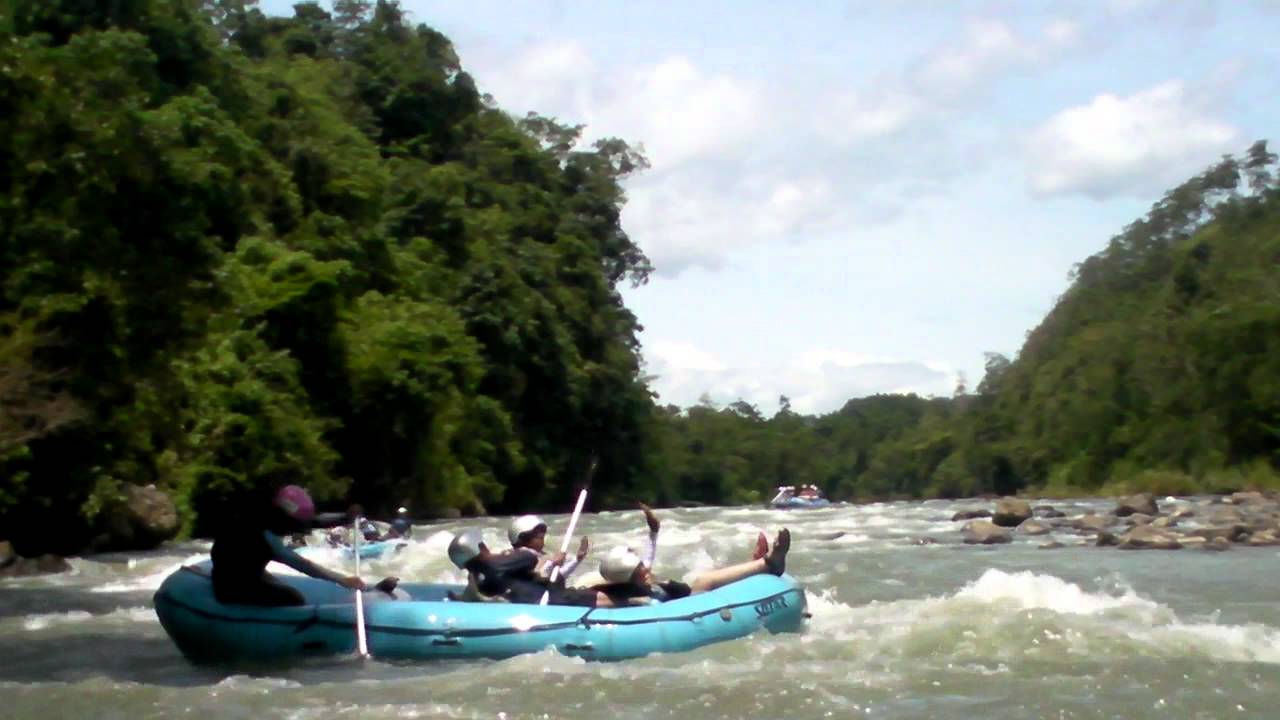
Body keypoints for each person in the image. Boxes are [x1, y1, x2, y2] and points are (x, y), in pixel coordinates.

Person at [589, 504, 791, 606]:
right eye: (639, 569)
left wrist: (654, 531)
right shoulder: (623, 597)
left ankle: (754, 566)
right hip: (686, 608)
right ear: (628, 579)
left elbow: (649, 554)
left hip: (683, 596)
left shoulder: (644, 578)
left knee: (706, 577)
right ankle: (768, 564)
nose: (645, 569)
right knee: (704, 581)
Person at [210, 485, 379, 607]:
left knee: (271, 583)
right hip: (229, 586)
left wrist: (346, 517)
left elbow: (313, 521)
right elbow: (298, 563)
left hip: (243, 573)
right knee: (293, 598)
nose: (298, 528)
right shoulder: (261, 531)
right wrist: (341, 579)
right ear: (286, 517)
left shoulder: (267, 516)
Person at [447, 529, 606, 607]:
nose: (486, 548)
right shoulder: (502, 562)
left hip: (544, 598)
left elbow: (467, 597)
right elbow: (533, 563)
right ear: (477, 549)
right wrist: (549, 559)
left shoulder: (476, 577)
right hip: (552, 600)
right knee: (609, 595)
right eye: (482, 545)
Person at [508, 514, 589, 583]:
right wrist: (552, 563)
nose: (542, 540)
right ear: (524, 538)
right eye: (538, 537)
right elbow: (536, 578)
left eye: (542, 537)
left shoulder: (542, 556)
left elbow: (557, 577)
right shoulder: (519, 557)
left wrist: (577, 560)